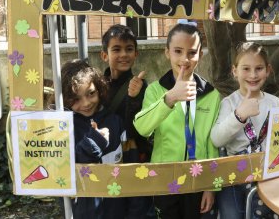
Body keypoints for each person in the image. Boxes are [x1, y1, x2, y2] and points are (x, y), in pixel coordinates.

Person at [134, 22, 221, 219]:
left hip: (198, 178)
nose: (185, 59)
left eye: (192, 52)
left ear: (200, 54)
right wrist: (170, 98)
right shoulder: (155, 91)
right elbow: (142, 127)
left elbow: (211, 141)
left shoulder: (212, 94)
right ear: (167, 53)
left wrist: (211, 186)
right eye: (178, 51)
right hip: (165, 178)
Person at [210, 42, 279, 219]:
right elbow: (216, 139)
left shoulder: (276, 104)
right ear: (234, 71)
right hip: (234, 176)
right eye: (246, 69)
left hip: (266, 175)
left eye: (259, 68)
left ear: (268, 70)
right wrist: (239, 115)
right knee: (231, 215)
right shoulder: (229, 103)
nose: (253, 75)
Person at [100, 24, 154, 218]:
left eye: (129, 49)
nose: (123, 54)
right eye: (116, 49)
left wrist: (133, 98)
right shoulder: (98, 85)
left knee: (136, 207)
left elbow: (139, 128)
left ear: (136, 54)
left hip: (132, 156)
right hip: (105, 157)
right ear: (104, 55)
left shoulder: (142, 86)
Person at [60, 59, 126, 218]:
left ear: (99, 88)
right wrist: (93, 143)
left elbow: (131, 164)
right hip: (83, 211)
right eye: (76, 99)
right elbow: (61, 171)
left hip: (117, 208)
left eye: (91, 93)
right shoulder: (62, 128)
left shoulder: (115, 122)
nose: (86, 103)